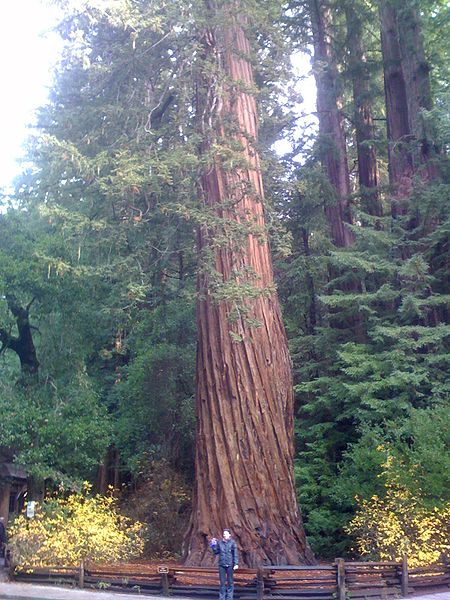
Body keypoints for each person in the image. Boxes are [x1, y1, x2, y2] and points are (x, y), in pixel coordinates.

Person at [210, 528, 239, 600]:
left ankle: (229, 598)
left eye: (226, 533)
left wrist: (236, 563)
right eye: (224, 534)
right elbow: (216, 552)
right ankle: (222, 598)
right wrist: (213, 546)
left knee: (230, 582)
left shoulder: (232, 543)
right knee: (222, 583)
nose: (224, 535)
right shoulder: (220, 543)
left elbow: (235, 554)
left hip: (230, 565)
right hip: (222, 565)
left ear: (229, 535)